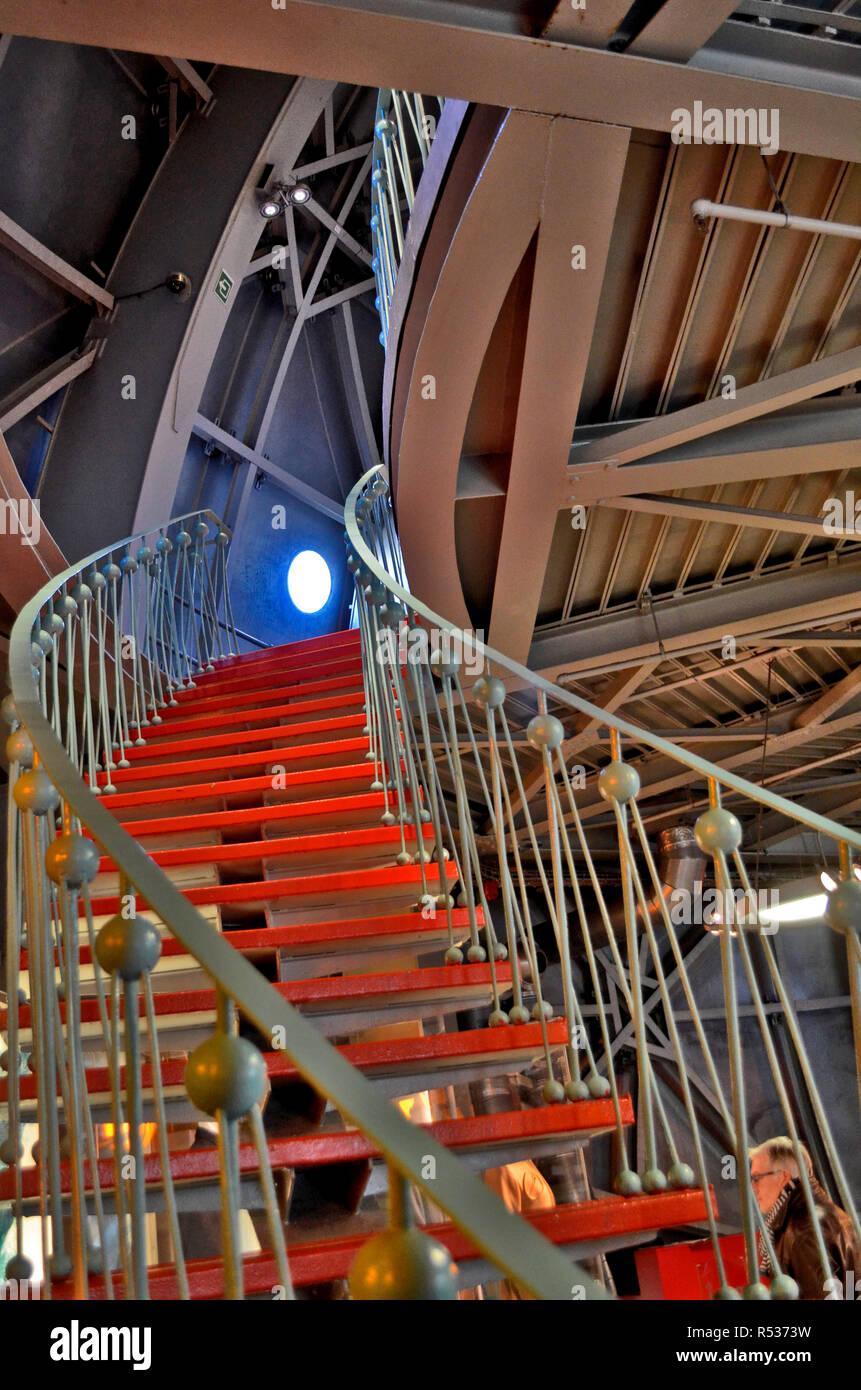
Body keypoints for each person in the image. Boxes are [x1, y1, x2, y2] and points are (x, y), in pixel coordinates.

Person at [749, 1136, 861, 1300]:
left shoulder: (801, 1230)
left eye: (757, 1178)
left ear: (782, 1177)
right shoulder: (822, 1213)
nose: (753, 1187)